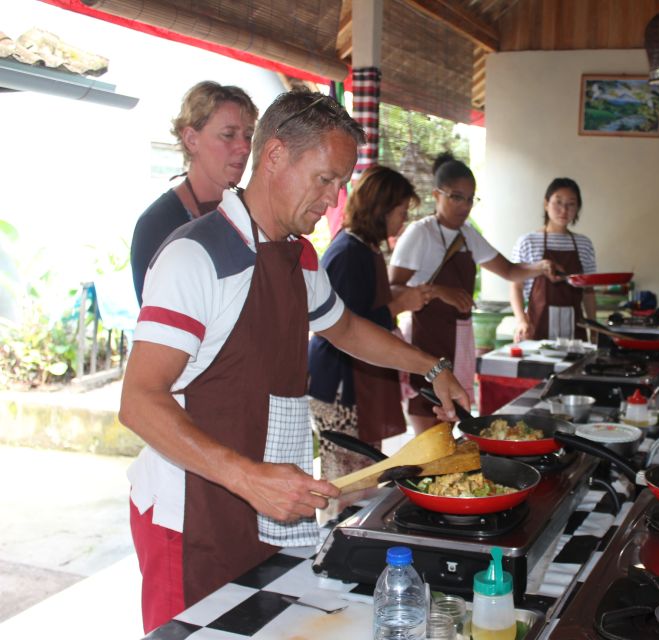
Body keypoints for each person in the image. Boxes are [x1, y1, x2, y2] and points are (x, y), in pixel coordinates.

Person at [119, 92, 469, 633]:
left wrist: (431, 367)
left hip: (265, 502)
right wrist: (248, 477)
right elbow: (139, 402)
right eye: (325, 180)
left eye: (340, 185)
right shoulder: (196, 256)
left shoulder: (298, 254)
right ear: (276, 155)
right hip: (190, 515)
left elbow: (347, 328)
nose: (332, 202)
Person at [389, 154, 559, 433]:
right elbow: (394, 290)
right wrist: (439, 291)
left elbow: (510, 271)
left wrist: (540, 267)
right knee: (428, 415)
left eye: (470, 199)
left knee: (453, 417)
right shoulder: (420, 233)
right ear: (436, 194)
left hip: (459, 336)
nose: (465, 206)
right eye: (457, 197)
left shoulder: (468, 235)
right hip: (426, 335)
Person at [308, 165, 432, 479]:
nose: (403, 220)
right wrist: (399, 304)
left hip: (354, 379)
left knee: (364, 471)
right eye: (401, 211)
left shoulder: (365, 248)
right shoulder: (349, 252)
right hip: (339, 382)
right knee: (347, 478)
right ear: (380, 210)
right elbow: (346, 327)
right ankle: (342, 527)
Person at [130, 81, 257, 305]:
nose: (244, 147)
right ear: (191, 139)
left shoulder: (249, 214)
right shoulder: (157, 224)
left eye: (248, 135)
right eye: (228, 135)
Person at [509, 177, 597, 341]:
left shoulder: (584, 244)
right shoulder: (527, 241)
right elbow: (516, 286)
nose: (564, 210)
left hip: (575, 333)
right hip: (536, 328)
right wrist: (521, 321)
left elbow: (588, 291)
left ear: (577, 208)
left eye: (571, 204)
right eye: (558, 202)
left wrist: (594, 329)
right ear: (546, 204)